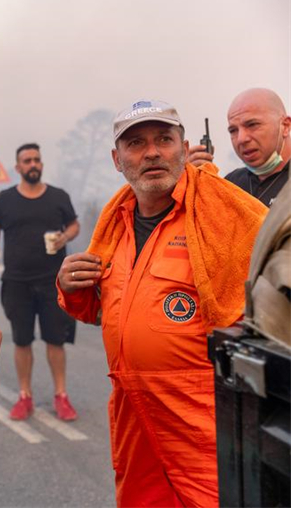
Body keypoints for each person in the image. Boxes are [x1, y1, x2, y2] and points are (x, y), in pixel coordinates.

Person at [57, 99, 267, 507]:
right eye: (135, 143)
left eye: (164, 140)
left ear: (184, 148)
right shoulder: (114, 223)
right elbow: (100, 310)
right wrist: (68, 285)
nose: (152, 152)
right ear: (117, 160)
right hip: (133, 416)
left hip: (201, 417)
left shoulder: (223, 216)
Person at [0, 143, 80, 421]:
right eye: (27, 160)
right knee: (22, 341)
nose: (33, 164)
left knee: (55, 341)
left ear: (42, 164)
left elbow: (74, 225)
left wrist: (66, 237)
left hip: (53, 282)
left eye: (37, 159)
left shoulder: (59, 197)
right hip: (17, 282)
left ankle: (61, 396)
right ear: (18, 167)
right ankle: (24, 396)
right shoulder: (5, 200)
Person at [188, 88, 289, 207]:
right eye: (233, 130)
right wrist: (190, 182)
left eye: (252, 125)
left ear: (285, 126)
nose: (241, 139)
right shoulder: (231, 184)